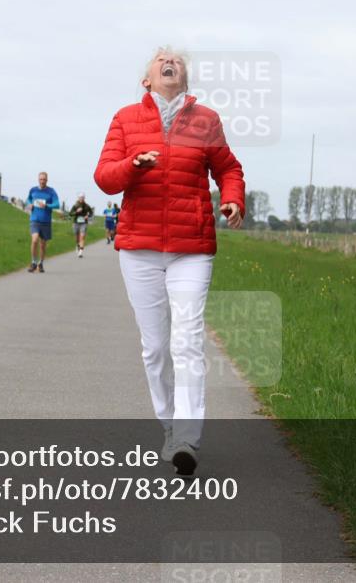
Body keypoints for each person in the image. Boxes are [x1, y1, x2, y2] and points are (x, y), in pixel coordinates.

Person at [94, 46, 245, 476]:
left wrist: (233, 201)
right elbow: (104, 177)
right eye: (161, 59)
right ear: (147, 80)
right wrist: (132, 166)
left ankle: (187, 439)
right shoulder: (125, 119)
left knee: (188, 340)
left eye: (176, 60)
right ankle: (168, 427)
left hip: (191, 248)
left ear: (184, 78)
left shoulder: (206, 121)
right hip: (139, 248)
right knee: (156, 347)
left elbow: (228, 169)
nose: (169, 60)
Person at [25, 172, 60, 273]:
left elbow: (57, 204)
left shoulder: (51, 191)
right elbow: (28, 200)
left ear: (47, 180)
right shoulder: (33, 190)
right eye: (40, 179)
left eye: (44, 179)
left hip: (46, 221)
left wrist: (47, 206)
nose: (42, 181)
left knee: (43, 245)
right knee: (34, 240)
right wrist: (29, 205)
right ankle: (33, 262)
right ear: (38, 180)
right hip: (34, 219)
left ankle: (40, 263)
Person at [69, 193, 94, 258]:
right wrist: (76, 212)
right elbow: (70, 214)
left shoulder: (87, 206)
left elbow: (91, 213)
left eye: (82, 197)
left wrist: (87, 216)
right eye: (80, 197)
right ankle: (77, 245)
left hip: (84, 223)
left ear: (84, 198)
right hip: (76, 223)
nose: (81, 198)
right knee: (77, 237)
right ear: (78, 198)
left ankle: (80, 252)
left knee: (82, 236)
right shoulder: (75, 205)